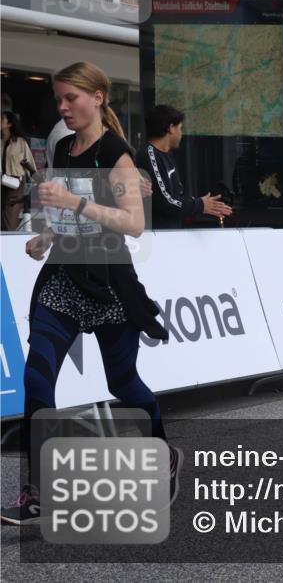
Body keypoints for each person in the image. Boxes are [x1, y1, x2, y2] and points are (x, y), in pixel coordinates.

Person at [1, 62, 178, 526]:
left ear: (97, 96)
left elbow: (132, 223)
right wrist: (47, 234)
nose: (63, 107)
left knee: (123, 384)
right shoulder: (61, 145)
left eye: (70, 98)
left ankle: (164, 453)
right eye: (58, 99)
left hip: (108, 285)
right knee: (37, 377)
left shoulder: (118, 154)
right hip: (62, 279)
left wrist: (76, 204)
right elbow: (63, 212)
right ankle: (37, 492)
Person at [135, 105, 232, 229]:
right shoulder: (149, 155)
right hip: (156, 238)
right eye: (180, 128)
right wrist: (199, 205)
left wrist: (201, 205)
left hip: (172, 234)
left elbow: (176, 197)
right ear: (171, 128)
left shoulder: (167, 155)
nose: (181, 133)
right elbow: (166, 201)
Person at [2, 110, 37, 230]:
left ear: (9, 124)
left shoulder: (20, 142)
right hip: (1, 182)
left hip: (15, 185)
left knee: (9, 221)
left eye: (2, 119)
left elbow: (29, 164)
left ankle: (9, 244)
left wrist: (34, 186)